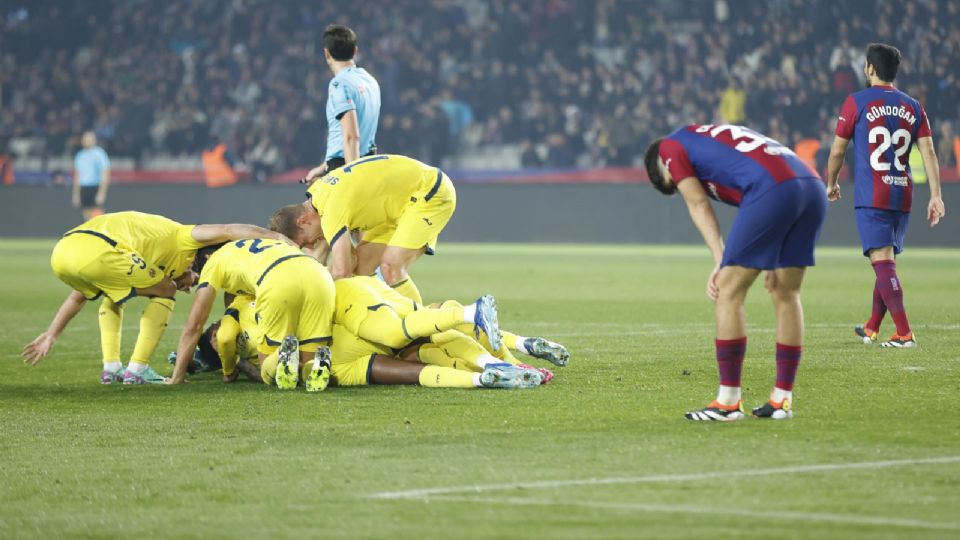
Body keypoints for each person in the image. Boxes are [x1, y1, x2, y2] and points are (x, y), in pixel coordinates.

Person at [644, 124, 827, 421]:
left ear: (662, 168)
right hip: (810, 185)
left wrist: (721, 259)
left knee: (727, 291)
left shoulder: (669, 148)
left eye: (674, 183)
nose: (680, 185)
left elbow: (697, 202)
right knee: (786, 292)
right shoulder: (706, 137)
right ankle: (781, 399)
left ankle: (728, 401)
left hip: (773, 188)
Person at [21, 212, 291, 384]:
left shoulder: (148, 248)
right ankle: (137, 369)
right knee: (167, 289)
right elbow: (228, 229)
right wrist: (275, 236)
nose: (192, 277)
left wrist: (51, 334)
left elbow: (76, 297)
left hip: (63, 253)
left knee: (114, 294)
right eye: (195, 273)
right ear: (204, 256)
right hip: (102, 249)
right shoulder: (184, 235)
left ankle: (112, 367)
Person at [825, 43, 945, 348]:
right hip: (902, 192)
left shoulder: (856, 102)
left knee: (881, 262)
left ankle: (904, 333)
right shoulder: (913, 105)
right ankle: (872, 327)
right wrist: (936, 195)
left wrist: (832, 181)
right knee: (886, 259)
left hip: (873, 193)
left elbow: (838, 149)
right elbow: (929, 151)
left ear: (869, 69)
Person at [168, 239, 336, 392]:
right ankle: (315, 365)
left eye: (197, 268)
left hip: (277, 280)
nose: (198, 275)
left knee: (267, 368)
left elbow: (196, 325)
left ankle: (281, 355)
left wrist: (177, 377)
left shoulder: (214, 262)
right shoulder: (249, 248)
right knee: (308, 363)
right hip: (319, 275)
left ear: (207, 256)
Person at [292, 154, 456, 304]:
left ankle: (420, 329)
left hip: (428, 190)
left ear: (303, 221)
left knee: (391, 266)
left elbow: (342, 272)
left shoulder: (328, 209)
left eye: (305, 241)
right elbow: (349, 264)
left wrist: (309, 294)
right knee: (361, 270)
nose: (311, 245)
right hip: (399, 202)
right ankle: (389, 320)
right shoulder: (318, 190)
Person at [302, 24, 381, 183]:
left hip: (347, 167)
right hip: (368, 163)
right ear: (355, 51)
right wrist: (325, 167)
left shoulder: (339, 85)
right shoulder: (370, 80)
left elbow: (352, 136)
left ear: (326, 53)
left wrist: (352, 182)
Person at [73, 131, 110, 220]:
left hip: (95, 186)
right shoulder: (80, 155)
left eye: (89, 138)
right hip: (84, 187)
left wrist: (102, 193)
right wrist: (76, 194)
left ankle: (97, 233)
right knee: (86, 215)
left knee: (98, 216)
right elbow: (77, 176)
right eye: (85, 139)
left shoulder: (100, 154)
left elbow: (105, 174)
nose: (87, 141)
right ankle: (88, 232)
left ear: (94, 140)